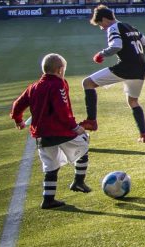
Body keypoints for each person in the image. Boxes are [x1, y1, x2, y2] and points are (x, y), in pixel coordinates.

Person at [12, 53, 90, 209]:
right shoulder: (59, 84)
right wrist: (74, 127)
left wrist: (19, 120)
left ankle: (48, 199)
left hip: (41, 135)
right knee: (84, 142)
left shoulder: (33, 87)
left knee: (51, 166)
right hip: (60, 131)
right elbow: (63, 110)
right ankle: (78, 181)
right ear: (60, 69)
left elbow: (17, 105)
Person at [82, 4, 145, 142]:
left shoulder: (113, 28)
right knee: (133, 101)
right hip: (141, 67)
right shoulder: (130, 26)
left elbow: (116, 46)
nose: (102, 28)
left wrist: (101, 54)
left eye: (100, 24)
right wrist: (136, 55)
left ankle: (91, 121)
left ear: (105, 20)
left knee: (87, 83)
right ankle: (144, 135)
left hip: (126, 67)